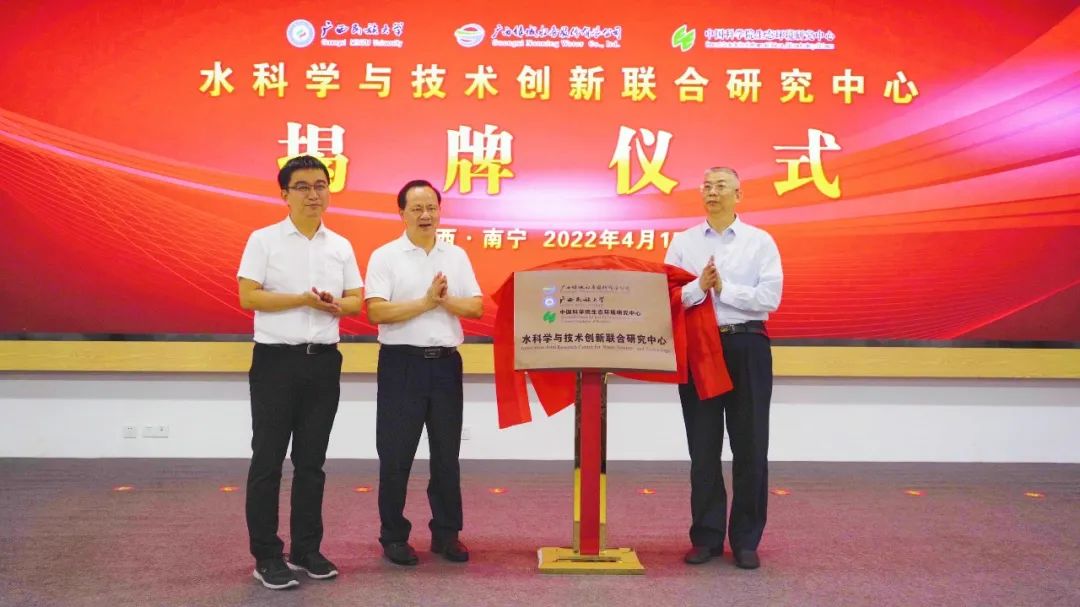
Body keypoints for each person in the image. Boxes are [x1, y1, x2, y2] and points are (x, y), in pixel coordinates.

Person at [237, 155, 364, 589]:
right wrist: (302, 300)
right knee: (268, 460)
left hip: (323, 362)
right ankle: (266, 555)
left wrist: (334, 304)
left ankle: (306, 549)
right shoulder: (264, 240)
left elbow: (356, 301)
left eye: (320, 185)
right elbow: (249, 296)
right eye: (303, 186)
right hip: (276, 362)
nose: (314, 194)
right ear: (285, 194)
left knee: (312, 463)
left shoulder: (340, 245)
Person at [664, 166, 783, 570]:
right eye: (707, 186)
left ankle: (746, 540)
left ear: (738, 195)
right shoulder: (684, 242)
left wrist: (723, 288)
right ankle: (707, 537)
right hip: (700, 347)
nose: (712, 192)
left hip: (746, 344)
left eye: (721, 186)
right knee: (703, 447)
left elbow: (770, 297)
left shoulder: (759, 241)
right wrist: (699, 287)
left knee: (750, 445)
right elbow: (667, 295)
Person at [364, 179, 483, 566]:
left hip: (446, 364)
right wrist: (427, 302)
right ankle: (393, 536)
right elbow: (376, 311)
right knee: (396, 455)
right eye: (417, 208)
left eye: (431, 207)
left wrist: (445, 302)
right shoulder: (386, 256)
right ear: (402, 213)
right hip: (402, 365)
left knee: (447, 456)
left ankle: (447, 533)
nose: (425, 215)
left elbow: (476, 307)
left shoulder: (456, 256)